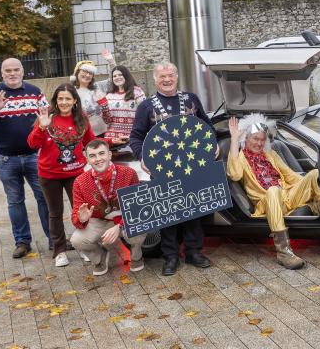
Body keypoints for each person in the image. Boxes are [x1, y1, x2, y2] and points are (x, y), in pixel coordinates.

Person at [129, 62, 214, 276]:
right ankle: (171, 256)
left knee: (194, 209)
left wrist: (211, 146)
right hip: (162, 167)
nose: (167, 80)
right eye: (162, 76)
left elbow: (205, 125)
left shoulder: (191, 99)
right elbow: (136, 137)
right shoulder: (146, 106)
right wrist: (142, 157)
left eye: (170, 76)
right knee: (167, 212)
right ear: (155, 79)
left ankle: (194, 252)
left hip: (193, 166)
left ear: (177, 77)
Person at [226, 113, 320, 269]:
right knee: (273, 190)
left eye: (262, 139)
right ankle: (284, 252)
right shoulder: (241, 158)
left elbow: (291, 176)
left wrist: (309, 185)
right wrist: (234, 139)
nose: (259, 143)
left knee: (315, 174)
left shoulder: (270, 154)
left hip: (286, 197)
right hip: (266, 202)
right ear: (247, 139)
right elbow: (234, 174)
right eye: (255, 139)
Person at [0, 58, 50, 258]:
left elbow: (49, 120)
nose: (12, 73)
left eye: (16, 69)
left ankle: (55, 239)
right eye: (8, 70)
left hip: (34, 156)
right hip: (7, 159)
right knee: (15, 201)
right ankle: (23, 242)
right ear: (2, 73)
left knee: (44, 197)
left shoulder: (35, 92)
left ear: (23, 71)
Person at [27, 83, 95, 267]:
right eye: (60, 98)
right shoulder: (46, 117)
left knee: (80, 210)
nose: (64, 102)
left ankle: (83, 246)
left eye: (68, 98)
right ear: (56, 101)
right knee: (55, 213)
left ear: (74, 101)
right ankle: (60, 251)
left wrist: (109, 144)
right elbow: (32, 144)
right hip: (49, 175)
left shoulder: (81, 118)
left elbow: (91, 143)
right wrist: (41, 127)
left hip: (76, 174)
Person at [70, 139, 145, 275]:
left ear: (110, 155)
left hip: (125, 218)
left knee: (138, 229)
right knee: (77, 240)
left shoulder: (129, 173)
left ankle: (136, 256)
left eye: (101, 153)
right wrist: (81, 219)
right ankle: (100, 257)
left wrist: (120, 226)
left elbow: (137, 207)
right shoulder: (80, 182)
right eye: (92, 156)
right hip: (100, 220)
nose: (98, 159)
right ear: (87, 159)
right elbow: (75, 215)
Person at [70, 49, 116, 137]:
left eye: (90, 73)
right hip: (84, 134)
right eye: (84, 71)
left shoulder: (97, 87)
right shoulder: (71, 91)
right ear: (77, 73)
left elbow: (113, 80)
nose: (87, 75)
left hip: (104, 132)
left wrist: (111, 61)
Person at [97, 65, 146, 147]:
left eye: (120, 75)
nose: (117, 77)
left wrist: (135, 134)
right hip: (113, 139)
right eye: (114, 76)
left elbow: (144, 116)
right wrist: (103, 107)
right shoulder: (109, 95)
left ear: (126, 76)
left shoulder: (137, 92)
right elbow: (107, 121)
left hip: (132, 137)